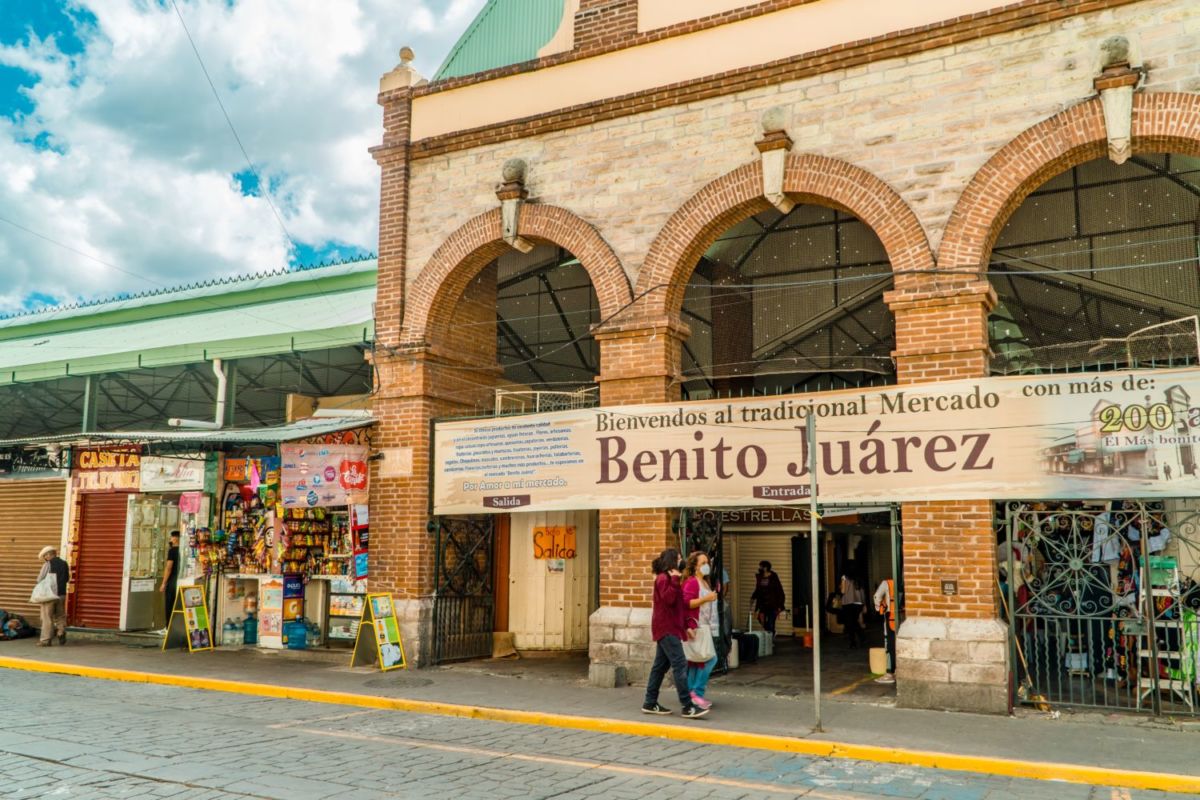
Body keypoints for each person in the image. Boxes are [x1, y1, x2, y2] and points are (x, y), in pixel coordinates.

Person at [641, 548, 709, 719]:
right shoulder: (663, 578)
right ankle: (687, 706)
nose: (681, 561)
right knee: (680, 665)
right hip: (666, 628)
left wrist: (686, 625)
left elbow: (678, 607)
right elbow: (669, 599)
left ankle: (650, 702)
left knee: (660, 667)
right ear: (671, 561)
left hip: (671, 627)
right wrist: (675, 579)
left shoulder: (670, 578)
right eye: (678, 558)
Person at [682, 551, 719, 710]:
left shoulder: (704, 582)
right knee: (710, 659)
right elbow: (686, 603)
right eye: (703, 563)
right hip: (696, 627)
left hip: (703, 627)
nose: (706, 566)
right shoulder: (692, 582)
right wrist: (706, 598)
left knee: (696, 662)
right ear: (695, 566)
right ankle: (697, 692)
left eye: (707, 563)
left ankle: (692, 694)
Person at [35, 545, 69, 646]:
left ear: (49, 554)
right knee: (60, 615)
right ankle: (61, 632)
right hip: (61, 594)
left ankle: (45, 640)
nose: (45, 558)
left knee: (47, 617)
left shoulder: (48, 564)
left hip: (49, 595)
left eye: (45, 556)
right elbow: (67, 578)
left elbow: (40, 579)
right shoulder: (64, 563)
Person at [750, 561, 785, 635]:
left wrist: (780, 605)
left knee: (771, 622)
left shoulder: (773, 577)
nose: (759, 568)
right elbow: (758, 589)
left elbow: (780, 591)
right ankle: (771, 632)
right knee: (760, 618)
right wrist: (753, 597)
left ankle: (770, 636)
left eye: (761, 567)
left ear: (765, 568)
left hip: (773, 604)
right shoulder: (760, 577)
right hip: (763, 604)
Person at [873, 577, 897, 684]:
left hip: (890, 617)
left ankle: (889, 673)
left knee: (889, 644)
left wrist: (878, 608)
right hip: (903, 617)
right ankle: (898, 670)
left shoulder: (887, 583)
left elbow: (876, 596)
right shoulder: (906, 582)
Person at [839, 571, 866, 648]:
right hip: (859, 602)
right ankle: (861, 637)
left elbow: (843, 591)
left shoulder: (844, 577)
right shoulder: (859, 576)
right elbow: (862, 591)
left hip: (848, 603)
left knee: (850, 623)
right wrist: (864, 604)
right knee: (854, 622)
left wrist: (840, 586)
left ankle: (853, 642)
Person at [160, 531, 181, 626]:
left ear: (176, 538)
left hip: (172, 581)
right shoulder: (183, 550)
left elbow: (168, 568)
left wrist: (163, 583)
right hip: (181, 580)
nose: (170, 539)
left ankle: (168, 626)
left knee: (170, 604)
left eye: (172, 537)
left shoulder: (172, 551)